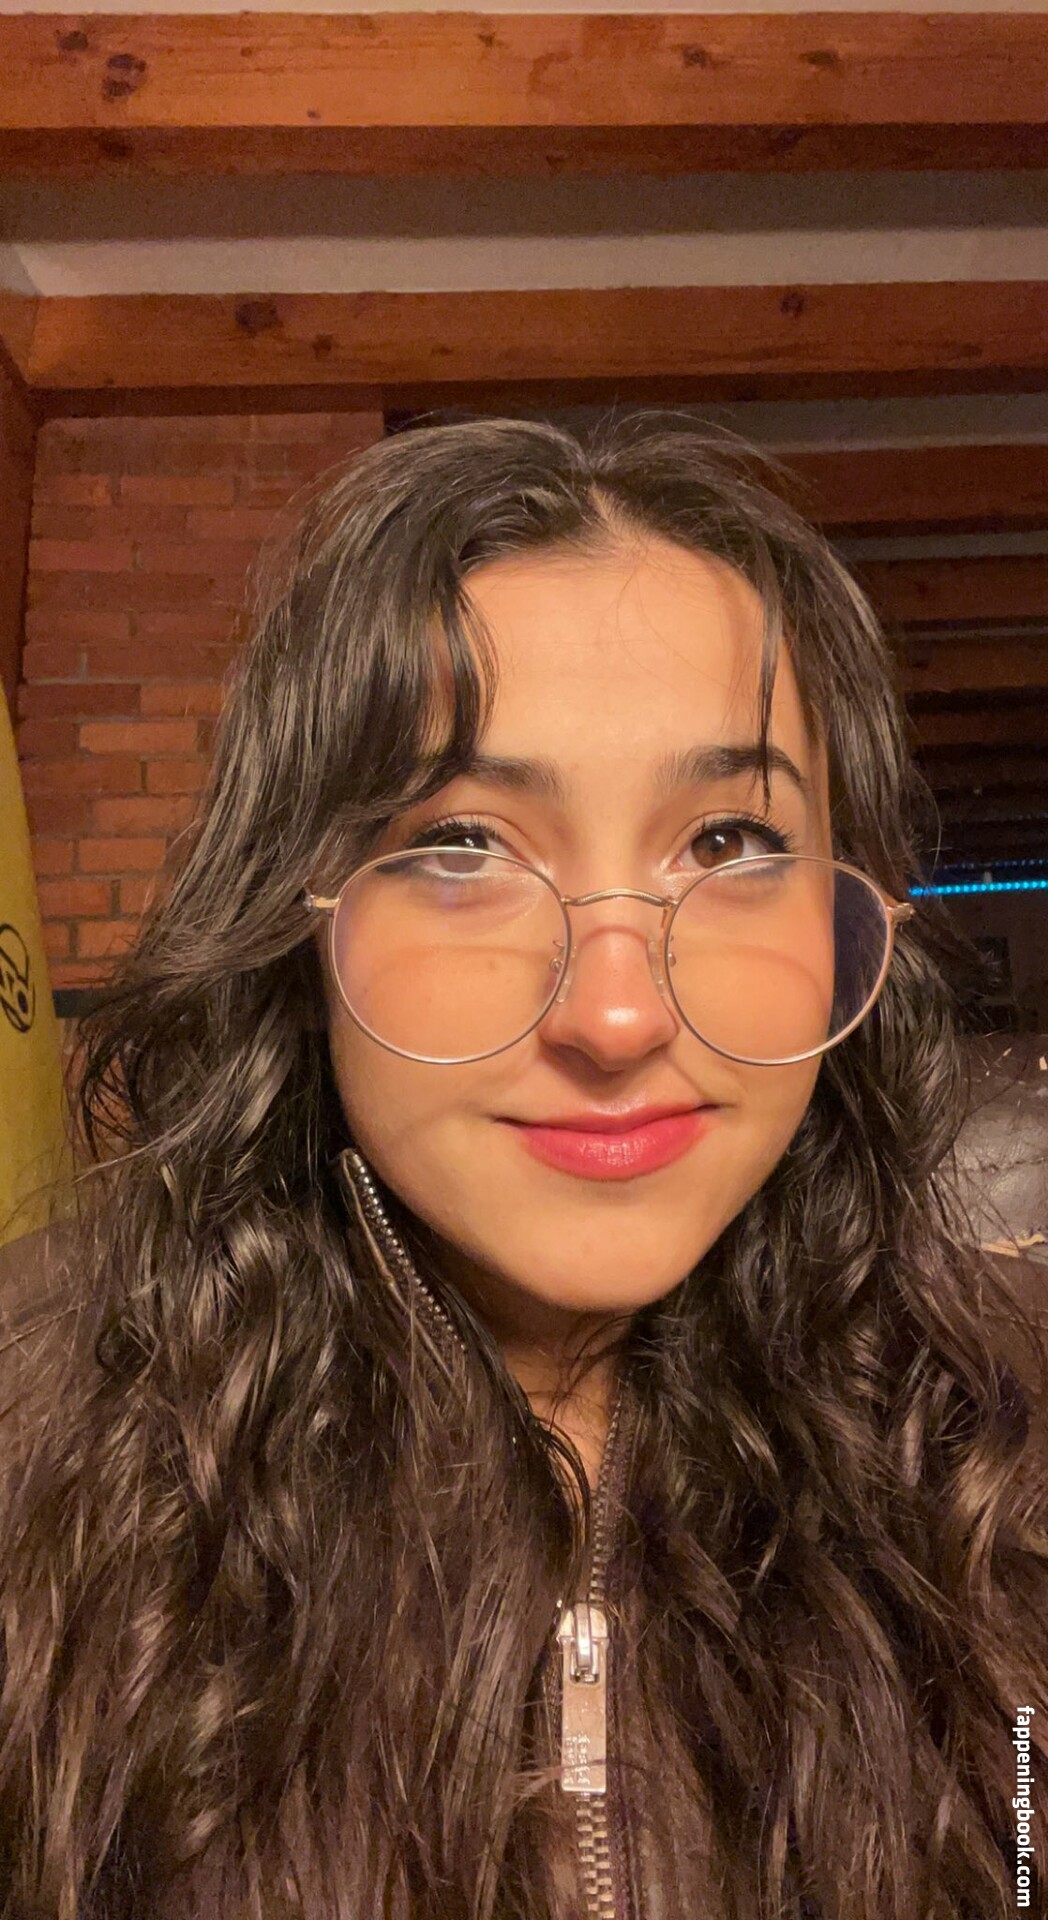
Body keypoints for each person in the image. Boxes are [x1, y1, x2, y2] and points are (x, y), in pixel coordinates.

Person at [0, 411, 1045, 1920]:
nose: (616, 1017)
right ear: (297, 920)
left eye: (731, 841)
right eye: (464, 845)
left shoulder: (1002, 1457)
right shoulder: (39, 1473)